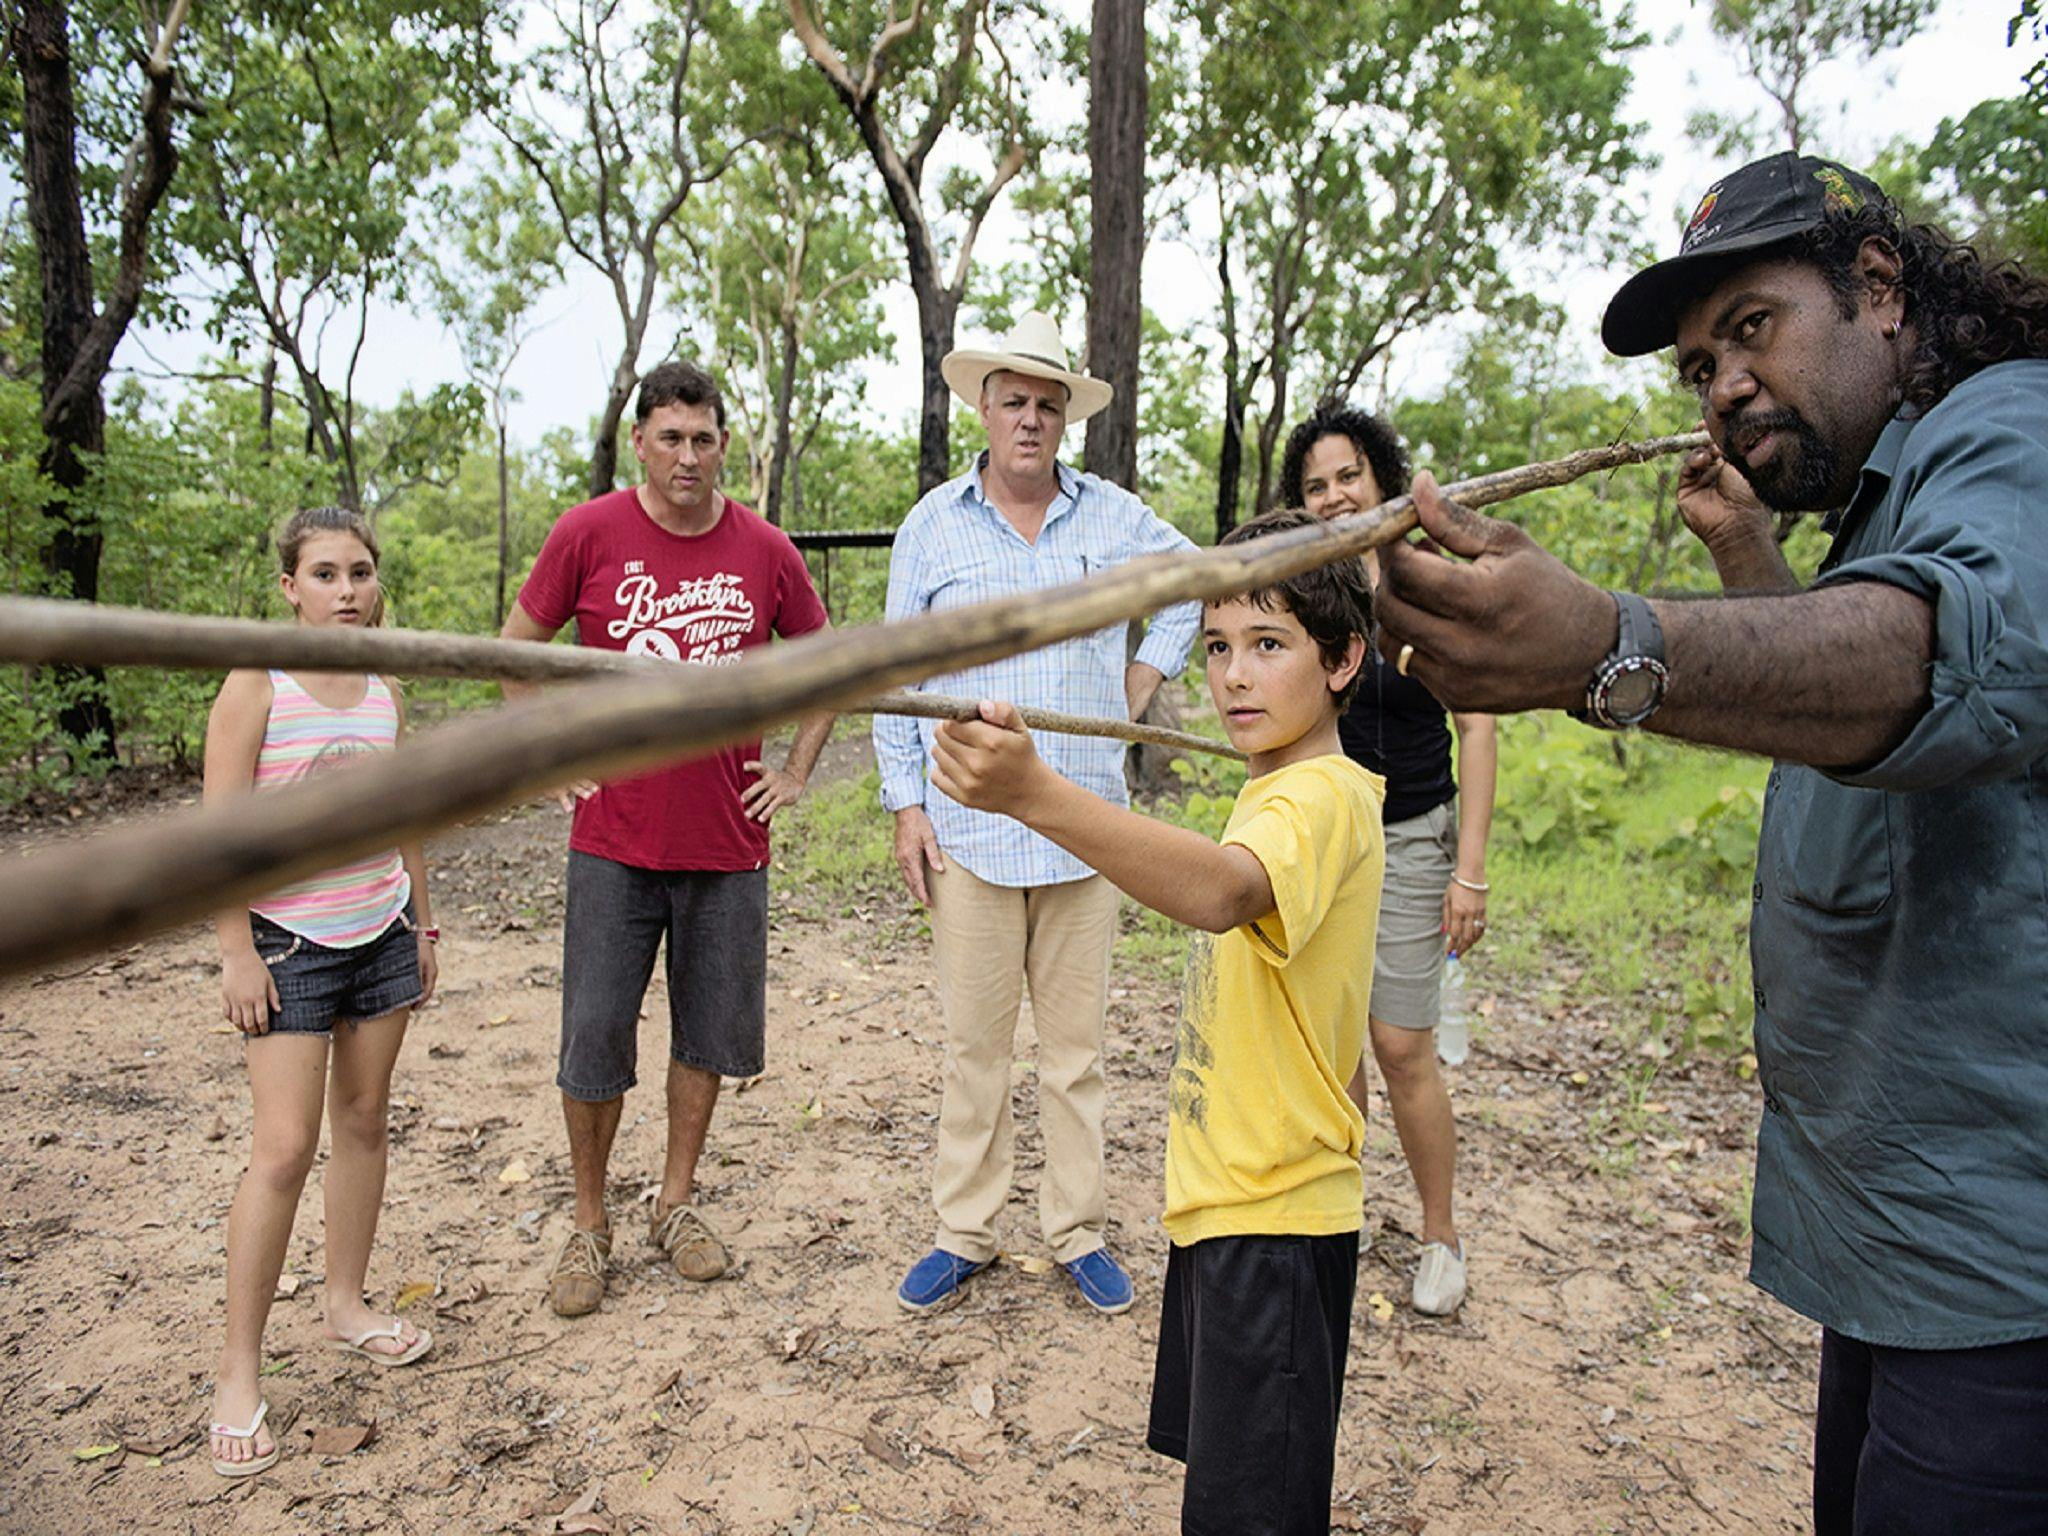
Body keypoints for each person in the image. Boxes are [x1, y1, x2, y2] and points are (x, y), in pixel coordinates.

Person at [1373, 152, 2048, 1532]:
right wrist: (1749, 566)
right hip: (1909, 1254)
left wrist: (1617, 645)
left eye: (1751, 327)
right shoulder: (1891, 498)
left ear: (1878, 290)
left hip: (2008, 1276)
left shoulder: (2016, 430)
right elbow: (1869, 733)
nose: (1724, 386)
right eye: (1698, 367)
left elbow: (1961, 655)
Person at [930, 507, 1384, 1534]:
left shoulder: (1312, 799)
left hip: (1270, 1219)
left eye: (1269, 647)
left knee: (1248, 1512)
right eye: (1217, 645)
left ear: (1344, 660)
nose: (1230, 676)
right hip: (1233, 1207)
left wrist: (1037, 795)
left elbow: (1222, 892)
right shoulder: (1281, 787)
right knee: (1234, 1494)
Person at [875, 310, 1203, 1317]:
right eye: (1011, 401)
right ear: (982, 409)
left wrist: (1140, 684)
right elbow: (899, 669)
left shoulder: (1111, 518)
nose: (1028, 420)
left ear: (1068, 420)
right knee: (974, 1046)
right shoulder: (933, 524)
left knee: (1074, 1054)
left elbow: (1191, 584)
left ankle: (1077, 1231)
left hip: (1082, 822)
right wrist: (905, 805)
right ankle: (963, 1230)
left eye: (1046, 406)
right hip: (968, 827)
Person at [502, 361, 834, 1317]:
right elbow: (513, 651)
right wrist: (545, 753)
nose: (688, 456)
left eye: (704, 438)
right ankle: (590, 1222)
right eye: (670, 438)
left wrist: (798, 770)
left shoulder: (765, 549)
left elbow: (827, 666)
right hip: (613, 838)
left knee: (709, 1037)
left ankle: (676, 1203)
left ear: (723, 445)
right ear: (640, 443)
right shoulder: (589, 532)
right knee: (595, 1035)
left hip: (727, 841)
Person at [203, 505, 440, 1478]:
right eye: (327, 573)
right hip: (288, 943)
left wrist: (423, 922)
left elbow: (406, 812)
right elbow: (217, 833)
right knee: (283, 1148)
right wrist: (235, 950)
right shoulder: (256, 683)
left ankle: (345, 1304)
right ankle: (236, 1370)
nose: (348, 589)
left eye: (361, 572)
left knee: (367, 1120)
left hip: (379, 930)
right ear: (289, 588)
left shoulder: (384, 687)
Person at [1279, 401, 1498, 1317]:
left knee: (1401, 1042)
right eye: (1316, 484)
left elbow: (1478, 723)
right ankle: (1344, 1204)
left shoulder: (1423, 584)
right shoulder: (1301, 583)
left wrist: (1469, 869)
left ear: (1381, 476)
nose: (1334, 496)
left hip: (1411, 834)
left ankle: (1441, 1234)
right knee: (1333, 1034)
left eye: (1347, 476)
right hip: (1326, 835)